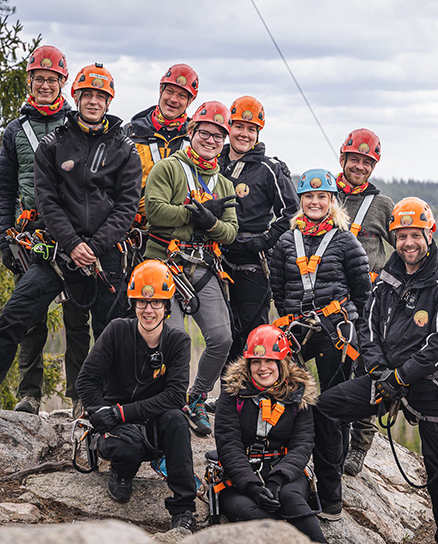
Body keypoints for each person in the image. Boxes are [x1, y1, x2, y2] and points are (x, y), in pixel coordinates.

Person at [0, 63, 142, 433]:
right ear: (75, 98)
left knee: (112, 333)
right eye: (87, 95)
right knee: (14, 319)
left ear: (109, 101)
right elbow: (46, 201)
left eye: (101, 96)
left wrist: (93, 247)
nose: (93, 101)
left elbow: (127, 206)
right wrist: (74, 244)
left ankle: (113, 411)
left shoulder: (124, 149)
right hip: (56, 254)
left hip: (104, 256)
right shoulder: (53, 144)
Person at [311, 197, 438, 542]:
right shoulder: (385, 281)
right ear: (393, 238)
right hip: (385, 379)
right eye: (401, 236)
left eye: (416, 234)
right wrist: (380, 371)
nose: (408, 243)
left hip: (430, 385)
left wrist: (400, 377)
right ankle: (330, 499)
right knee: (324, 408)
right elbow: (368, 330)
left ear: (429, 235)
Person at [0, 44, 90, 418]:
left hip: (73, 232)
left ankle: (80, 394)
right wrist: (5, 235)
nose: (46, 85)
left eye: (53, 80)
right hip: (30, 234)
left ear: (63, 83)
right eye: (40, 79)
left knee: (76, 319)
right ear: (30, 81)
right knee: (31, 315)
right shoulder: (16, 131)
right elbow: (5, 188)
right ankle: (29, 395)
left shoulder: (76, 126)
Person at [76, 260, 198, 533]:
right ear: (133, 303)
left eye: (156, 303)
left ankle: (184, 510)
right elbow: (86, 380)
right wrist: (99, 412)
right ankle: (123, 471)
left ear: (167, 306)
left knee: (177, 419)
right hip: (117, 427)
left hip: (153, 425)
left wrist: (122, 412)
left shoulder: (178, 341)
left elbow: (176, 396)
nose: (149, 309)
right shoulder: (117, 330)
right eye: (142, 303)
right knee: (125, 449)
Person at [143, 100, 238, 436]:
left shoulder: (223, 184)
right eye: (205, 133)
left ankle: (196, 396)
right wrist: (190, 214)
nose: (210, 140)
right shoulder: (169, 168)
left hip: (202, 265)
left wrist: (210, 221)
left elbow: (230, 231)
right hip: (164, 264)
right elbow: (154, 211)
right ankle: (168, 402)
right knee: (175, 337)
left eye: (217, 136)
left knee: (221, 337)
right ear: (192, 132)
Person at [214, 324, 327, 543]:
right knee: (247, 510)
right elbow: (228, 443)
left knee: (290, 498)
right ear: (248, 363)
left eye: (270, 361)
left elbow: (303, 444)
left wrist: (277, 479)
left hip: (284, 471)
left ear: (282, 362)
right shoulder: (233, 393)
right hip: (241, 476)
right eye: (256, 362)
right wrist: (252, 487)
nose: (262, 368)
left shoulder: (298, 395)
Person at [269, 168, 371, 394]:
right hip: (297, 327)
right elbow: (278, 290)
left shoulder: (346, 241)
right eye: (309, 197)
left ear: (332, 201)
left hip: (335, 329)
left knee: (335, 398)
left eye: (321, 196)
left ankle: (336, 431)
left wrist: (357, 328)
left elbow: (362, 291)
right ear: (301, 200)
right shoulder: (286, 241)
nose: (315, 202)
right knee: (289, 394)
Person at [218, 96, 298, 365]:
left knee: (252, 332)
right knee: (222, 334)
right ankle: (224, 401)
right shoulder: (213, 162)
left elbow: (293, 211)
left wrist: (266, 240)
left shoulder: (269, 168)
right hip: (215, 258)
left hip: (251, 261)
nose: (244, 134)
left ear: (258, 133)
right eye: (239, 126)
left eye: (251, 129)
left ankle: (251, 397)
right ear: (229, 126)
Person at [335, 128, 395, 476]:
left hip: (369, 301)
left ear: (373, 165)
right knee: (332, 370)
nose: (358, 166)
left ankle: (360, 445)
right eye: (354, 159)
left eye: (365, 161)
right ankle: (328, 434)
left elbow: (403, 248)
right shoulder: (326, 196)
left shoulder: (382, 205)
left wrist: (386, 280)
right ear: (342, 159)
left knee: (366, 369)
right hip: (329, 298)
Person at [124, 63, 199, 226]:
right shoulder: (131, 133)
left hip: (177, 232)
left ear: (191, 100)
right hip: (134, 231)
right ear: (160, 90)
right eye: (170, 91)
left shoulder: (196, 140)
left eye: (182, 95)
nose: (173, 100)